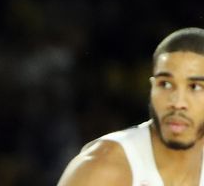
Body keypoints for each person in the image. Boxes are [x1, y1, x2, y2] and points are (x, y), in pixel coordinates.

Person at [57, 27, 204, 186]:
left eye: (195, 87)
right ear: (152, 87)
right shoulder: (102, 167)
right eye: (165, 84)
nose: (177, 103)